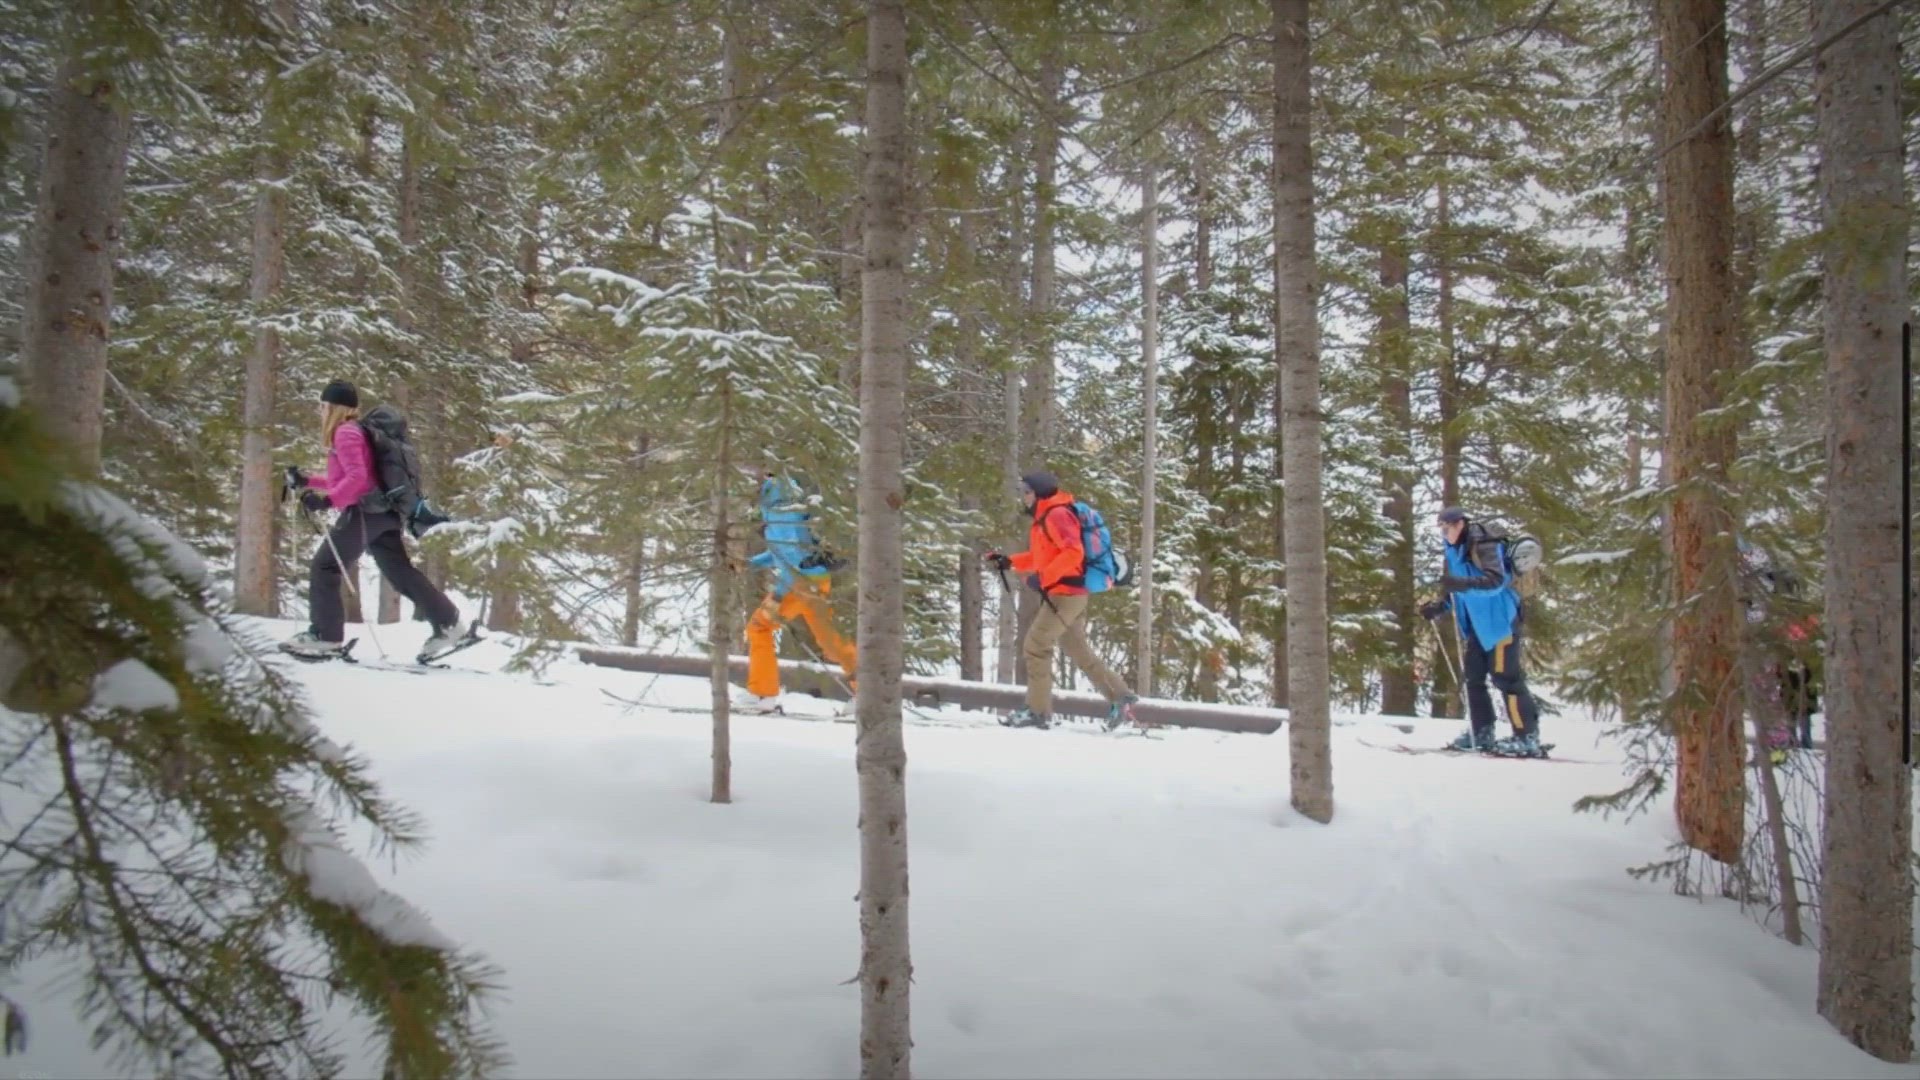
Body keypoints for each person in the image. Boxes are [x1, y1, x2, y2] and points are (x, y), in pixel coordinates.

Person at [280, 380, 466, 663]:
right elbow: (345, 477)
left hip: (366, 513)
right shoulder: (359, 432)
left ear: (332, 407)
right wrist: (308, 481)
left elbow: (357, 480)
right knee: (400, 572)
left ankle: (325, 637)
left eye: (322, 405)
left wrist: (328, 501)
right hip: (385, 514)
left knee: (325, 565)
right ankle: (449, 623)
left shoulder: (345, 433)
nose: (320, 410)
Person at [983, 470, 1138, 731]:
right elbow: (1043, 556)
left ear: (1039, 493)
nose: (1023, 497)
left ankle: (1037, 711)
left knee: (1035, 646)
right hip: (1070, 593)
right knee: (1077, 648)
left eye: (1027, 492)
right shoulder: (1049, 514)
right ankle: (1120, 697)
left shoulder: (1056, 515)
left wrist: (1043, 579)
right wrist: (1011, 562)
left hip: (1066, 594)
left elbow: (1073, 554)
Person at [1419, 506, 1543, 757]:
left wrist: (1461, 585)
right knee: (1473, 679)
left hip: (1500, 621)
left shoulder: (1483, 544)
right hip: (1477, 624)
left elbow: (1496, 581)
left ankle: (1526, 736)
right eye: (1442, 528)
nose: (1445, 532)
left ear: (1461, 524)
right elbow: (1460, 584)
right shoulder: (1454, 549)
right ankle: (1482, 732)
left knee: (1506, 678)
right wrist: (1440, 605)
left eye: (1449, 527)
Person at [734, 471, 856, 713]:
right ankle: (869, 692)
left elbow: (792, 556)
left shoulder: (781, 514)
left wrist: (780, 594)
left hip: (798, 584)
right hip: (817, 580)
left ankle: (762, 695)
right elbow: (780, 553)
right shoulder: (786, 509)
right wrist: (749, 563)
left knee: (759, 628)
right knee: (831, 641)